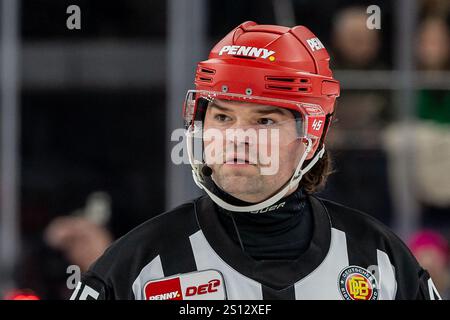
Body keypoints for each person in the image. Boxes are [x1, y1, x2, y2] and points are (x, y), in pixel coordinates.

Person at [71, 21, 440, 300]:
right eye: (222, 117)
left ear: (312, 135)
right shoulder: (135, 268)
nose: (238, 136)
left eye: (264, 120)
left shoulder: (380, 259)